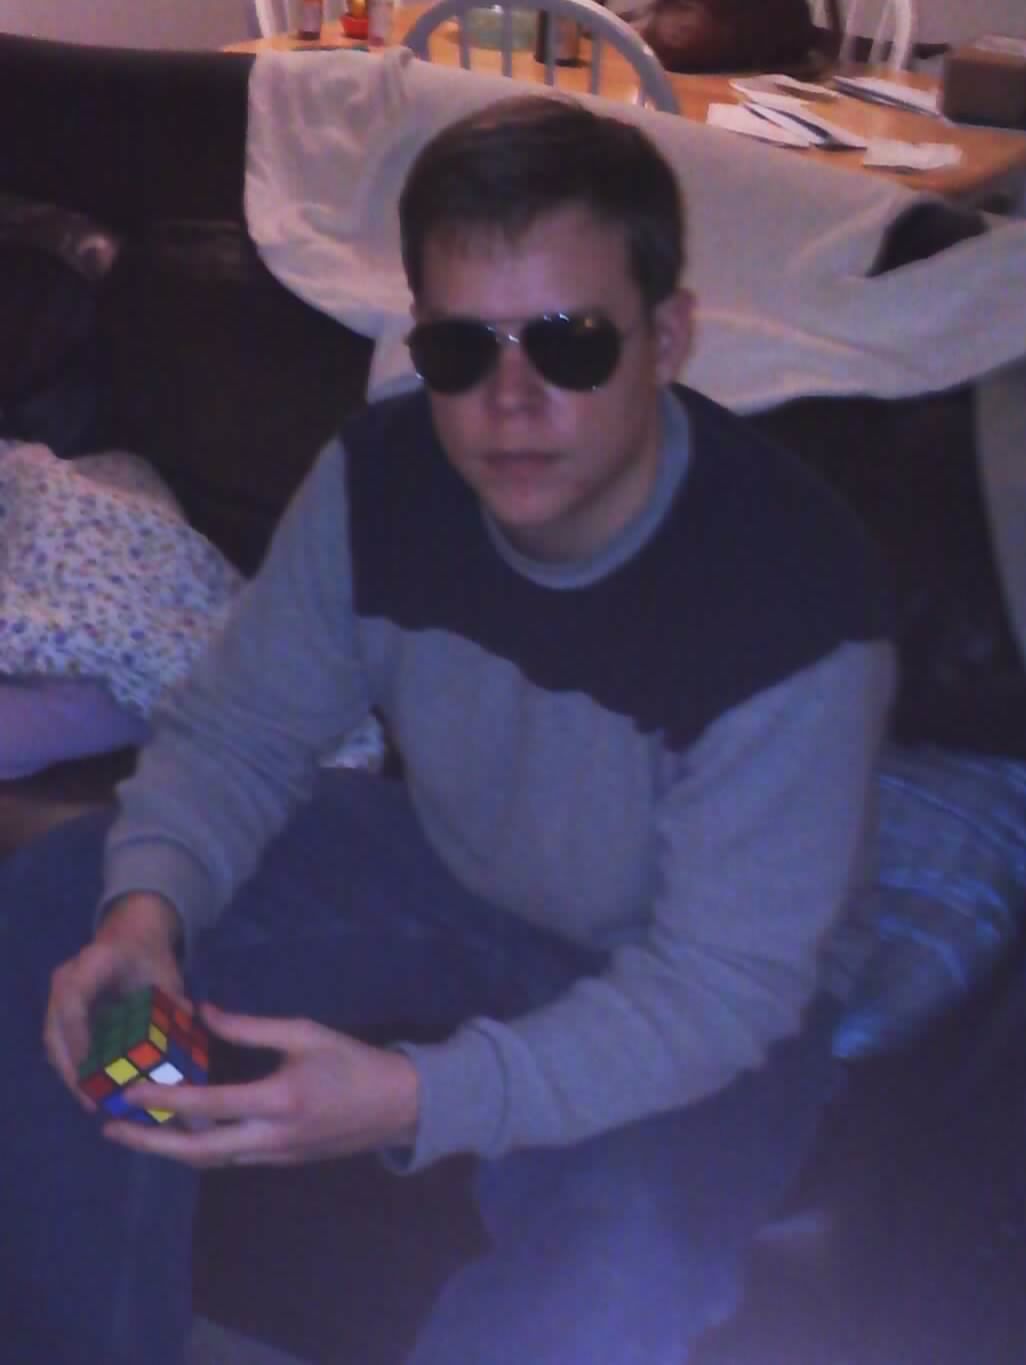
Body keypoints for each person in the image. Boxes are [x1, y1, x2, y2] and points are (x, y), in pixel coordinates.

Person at [0, 94, 896, 1365]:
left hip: (700, 977)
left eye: (570, 344)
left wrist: (415, 1098)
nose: (509, 401)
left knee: (620, 1258)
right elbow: (241, 732)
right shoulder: (381, 480)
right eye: (462, 350)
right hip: (456, 868)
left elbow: (721, 990)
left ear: (669, 337)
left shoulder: (796, 587)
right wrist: (147, 912)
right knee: (63, 914)